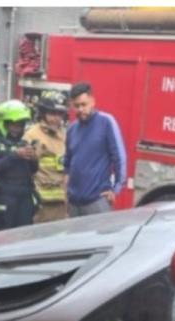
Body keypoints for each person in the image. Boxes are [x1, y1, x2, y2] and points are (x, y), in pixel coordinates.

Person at [63, 82, 127, 217]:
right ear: (71, 105)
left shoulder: (106, 122)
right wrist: (67, 194)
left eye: (84, 104)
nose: (80, 109)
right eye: (76, 106)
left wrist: (115, 189)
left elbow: (119, 158)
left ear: (92, 101)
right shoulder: (71, 129)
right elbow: (67, 164)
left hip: (97, 202)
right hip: (74, 204)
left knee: (100, 239)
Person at [0, 100, 39, 230]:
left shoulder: (25, 143)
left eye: (20, 125)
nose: (16, 128)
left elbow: (33, 170)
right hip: (5, 195)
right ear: (4, 124)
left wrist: (33, 158)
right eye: (13, 125)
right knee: (3, 235)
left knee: (25, 234)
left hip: (25, 195)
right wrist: (15, 155)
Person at [22, 90, 69, 224]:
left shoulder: (63, 135)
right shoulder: (33, 136)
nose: (56, 118)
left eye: (59, 114)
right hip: (41, 205)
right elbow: (26, 170)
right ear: (43, 113)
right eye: (52, 113)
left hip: (61, 204)